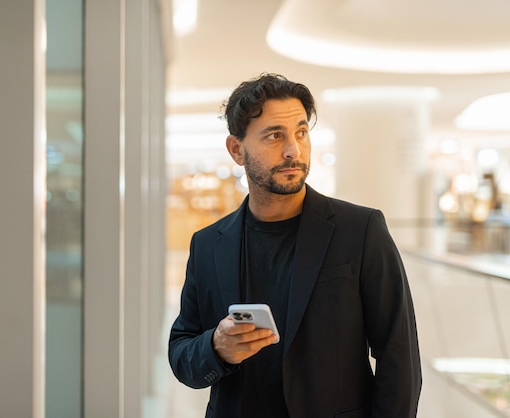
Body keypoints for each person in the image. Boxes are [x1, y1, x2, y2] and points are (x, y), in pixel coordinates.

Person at [168, 73, 422, 417]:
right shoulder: (208, 244)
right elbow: (182, 353)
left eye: (301, 132)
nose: (294, 150)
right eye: (275, 136)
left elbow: (399, 356)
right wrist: (216, 347)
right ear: (236, 150)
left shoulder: (360, 230)